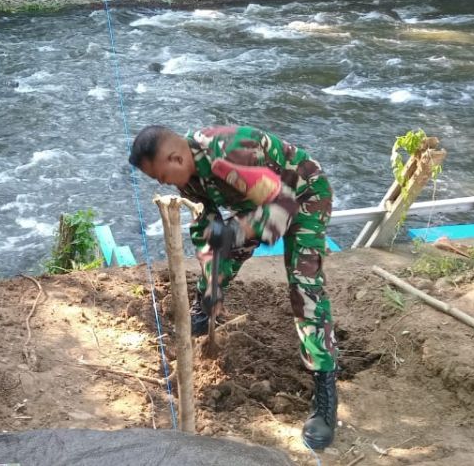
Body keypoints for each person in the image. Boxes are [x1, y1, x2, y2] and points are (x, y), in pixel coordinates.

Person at [129, 124, 339, 450]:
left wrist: (234, 233)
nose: (162, 183)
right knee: (218, 258)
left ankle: (325, 390)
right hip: (256, 206)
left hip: (302, 195)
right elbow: (205, 228)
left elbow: (282, 206)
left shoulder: (229, 153)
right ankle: (203, 315)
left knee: (304, 286)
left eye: (161, 176)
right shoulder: (187, 175)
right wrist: (212, 282)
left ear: (175, 158)